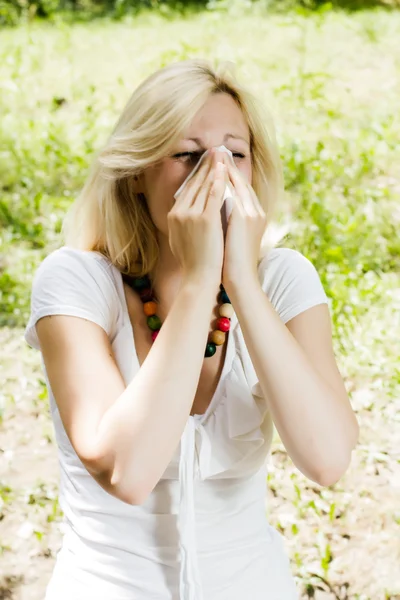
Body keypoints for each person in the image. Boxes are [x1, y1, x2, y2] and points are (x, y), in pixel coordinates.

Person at [24, 59, 359, 600]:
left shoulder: (283, 279)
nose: (217, 173)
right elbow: (127, 472)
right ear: (137, 174)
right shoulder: (76, 282)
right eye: (188, 155)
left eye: (236, 154)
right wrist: (202, 276)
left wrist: (242, 283)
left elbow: (326, 459)